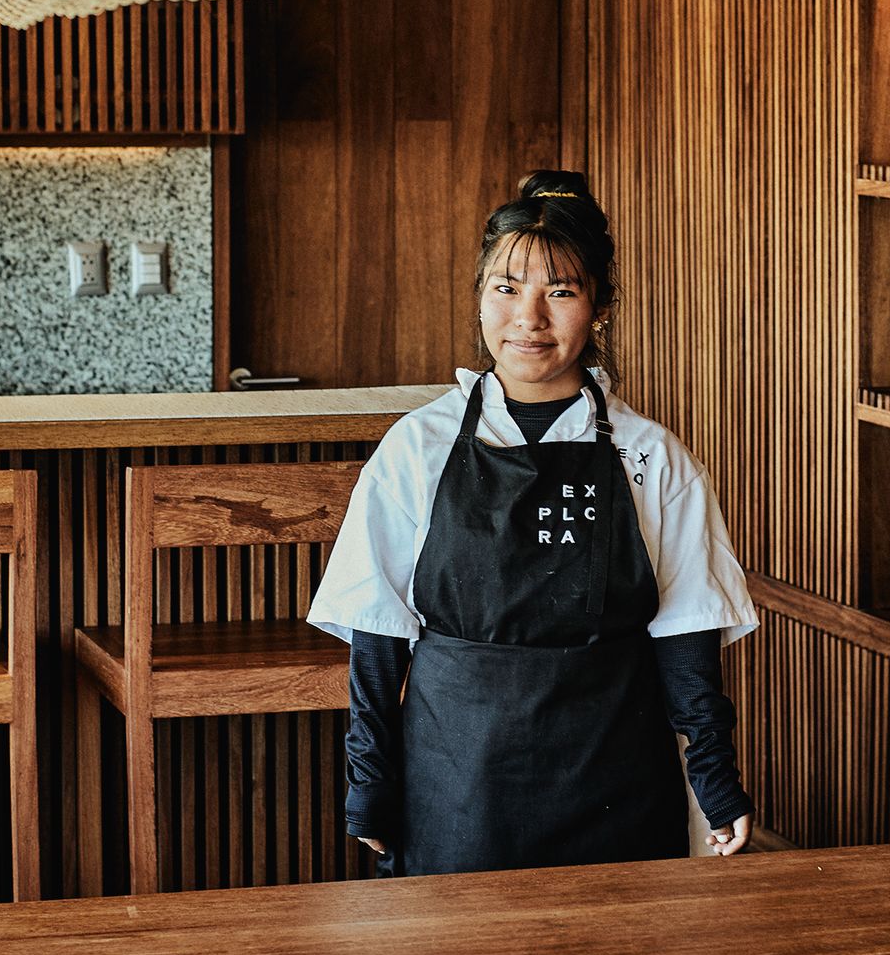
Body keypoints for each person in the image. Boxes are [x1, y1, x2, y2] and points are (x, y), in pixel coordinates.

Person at [306, 171, 758, 876]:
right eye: (506, 287)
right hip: (456, 778)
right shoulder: (416, 449)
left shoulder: (650, 456)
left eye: (562, 291)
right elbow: (377, 634)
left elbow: (688, 637)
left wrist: (715, 776)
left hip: (615, 772)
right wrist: (370, 784)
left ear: (600, 307)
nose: (529, 318)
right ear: (479, 295)